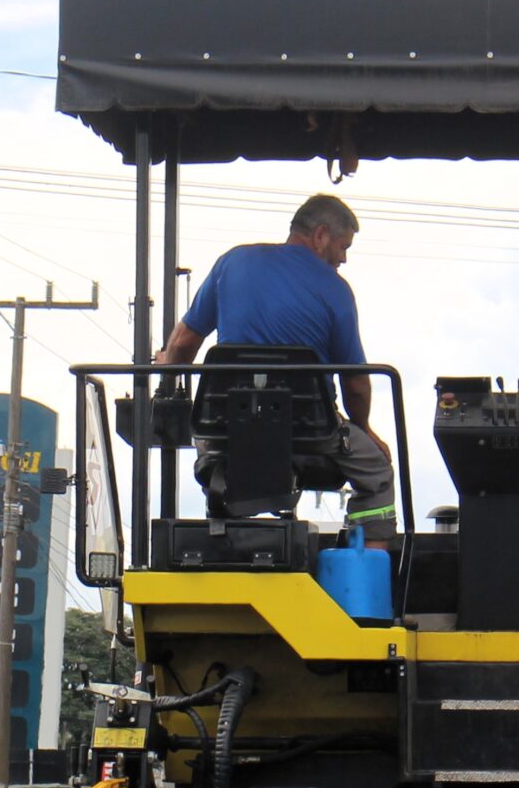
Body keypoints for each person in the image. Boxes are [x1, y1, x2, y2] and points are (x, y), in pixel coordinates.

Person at [156, 192, 396, 540]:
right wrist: (365, 430)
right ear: (320, 235)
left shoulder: (231, 263)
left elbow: (182, 344)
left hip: (226, 429)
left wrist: (166, 365)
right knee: (378, 472)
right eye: (343, 247)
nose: (343, 259)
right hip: (310, 431)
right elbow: (356, 384)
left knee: (213, 450)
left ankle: (222, 533)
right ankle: (366, 574)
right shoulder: (336, 290)